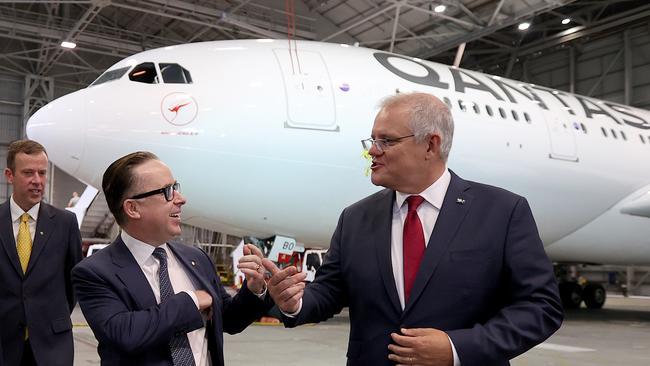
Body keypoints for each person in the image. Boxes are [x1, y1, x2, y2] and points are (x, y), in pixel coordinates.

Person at [264, 92, 563, 365]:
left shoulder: (502, 212)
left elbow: (540, 307)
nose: (372, 152)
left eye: (387, 141)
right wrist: (296, 302)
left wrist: (455, 348)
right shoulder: (355, 219)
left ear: (430, 145)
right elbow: (330, 291)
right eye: (372, 140)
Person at [71, 151, 270, 366]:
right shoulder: (94, 272)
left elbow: (228, 320)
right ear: (133, 208)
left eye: (176, 188)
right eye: (167, 191)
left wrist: (254, 290)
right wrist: (191, 301)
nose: (181, 199)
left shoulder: (196, 258)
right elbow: (126, 334)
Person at [0, 139, 83, 366]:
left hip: (52, 344)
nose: (37, 181)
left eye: (42, 173)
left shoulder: (66, 223)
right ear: (10, 175)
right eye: (28, 173)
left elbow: (73, 282)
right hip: (4, 343)